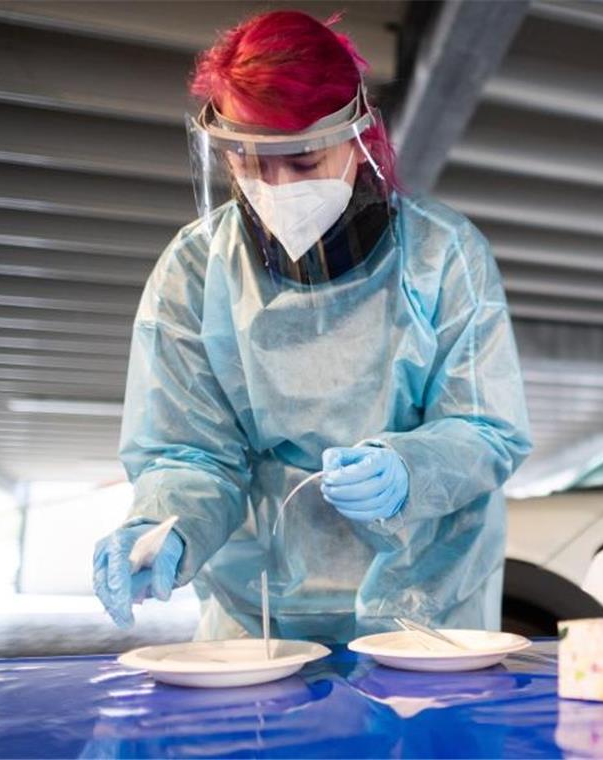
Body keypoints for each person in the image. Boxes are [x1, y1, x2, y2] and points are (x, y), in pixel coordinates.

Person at [91, 10, 531, 642]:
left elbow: (488, 427)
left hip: (428, 611)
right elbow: (189, 452)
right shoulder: (194, 269)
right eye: (247, 161)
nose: (274, 187)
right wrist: (165, 526)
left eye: (301, 161)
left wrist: (411, 469)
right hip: (260, 616)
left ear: (356, 139)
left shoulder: (444, 254)